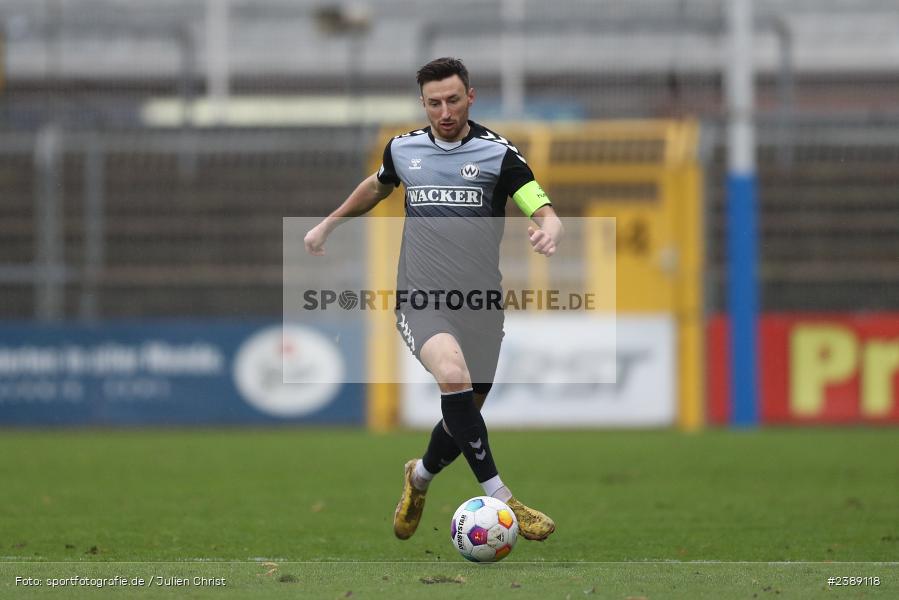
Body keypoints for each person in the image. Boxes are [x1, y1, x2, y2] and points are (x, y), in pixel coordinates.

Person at [304, 57, 561, 542]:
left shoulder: (498, 154)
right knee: (453, 376)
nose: (445, 112)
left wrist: (550, 228)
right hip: (421, 298)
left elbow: (539, 204)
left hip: (481, 306)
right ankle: (503, 499)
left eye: (453, 100)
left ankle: (419, 476)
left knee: (464, 413)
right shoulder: (403, 149)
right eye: (434, 103)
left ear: (471, 97)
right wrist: (328, 225)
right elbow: (377, 186)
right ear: (423, 103)